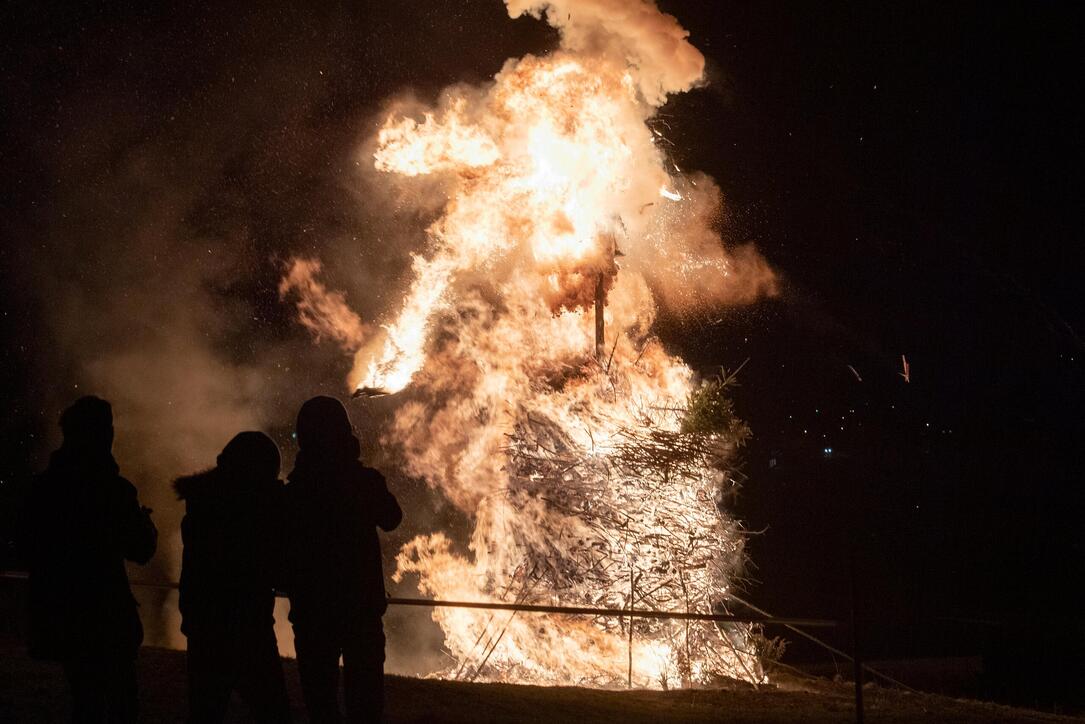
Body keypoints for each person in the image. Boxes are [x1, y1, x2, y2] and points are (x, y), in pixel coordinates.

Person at [19, 396, 157, 724]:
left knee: (84, 699)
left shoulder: (43, 488)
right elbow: (140, 549)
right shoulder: (112, 489)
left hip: (64, 614)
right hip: (106, 615)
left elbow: (27, 543)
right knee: (121, 703)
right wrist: (145, 522)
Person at [284, 396, 402, 724]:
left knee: (321, 703)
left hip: (312, 612)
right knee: (365, 705)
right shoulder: (363, 482)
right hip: (359, 609)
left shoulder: (295, 491)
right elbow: (392, 517)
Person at [175, 431, 291, 724]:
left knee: (205, 712)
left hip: (204, 628)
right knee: (273, 712)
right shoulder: (251, 513)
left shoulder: (203, 505)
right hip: (249, 628)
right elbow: (272, 568)